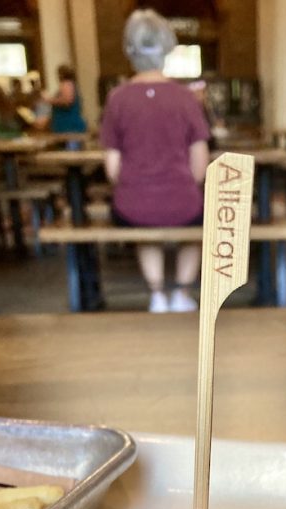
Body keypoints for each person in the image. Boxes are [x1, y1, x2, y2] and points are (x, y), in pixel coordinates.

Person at [99, 7, 210, 313]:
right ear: (168, 49)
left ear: (128, 50)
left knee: (141, 219)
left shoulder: (117, 98)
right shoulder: (186, 98)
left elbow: (112, 170)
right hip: (183, 202)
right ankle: (182, 294)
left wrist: (141, 186)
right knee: (199, 220)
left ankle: (157, 294)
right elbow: (199, 167)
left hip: (131, 205)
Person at [45, 65, 87, 133]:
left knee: (70, 143)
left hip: (68, 126)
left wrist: (50, 100)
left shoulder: (66, 84)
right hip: (68, 125)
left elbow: (67, 101)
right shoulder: (71, 84)